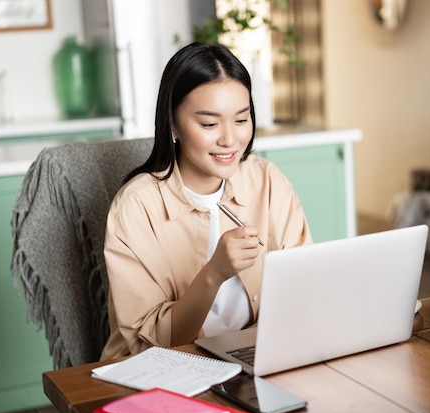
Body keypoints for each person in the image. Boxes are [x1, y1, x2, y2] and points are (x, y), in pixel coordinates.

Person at [100, 42, 312, 360]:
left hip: (254, 358)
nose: (229, 139)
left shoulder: (267, 180)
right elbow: (149, 347)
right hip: (163, 370)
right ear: (172, 123)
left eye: (241, 120)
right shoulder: (135, 207)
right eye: (210, 124)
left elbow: (305, 285)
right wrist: (214, 273)